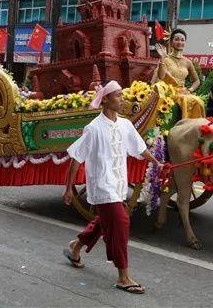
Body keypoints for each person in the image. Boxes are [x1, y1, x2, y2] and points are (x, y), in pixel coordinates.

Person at [62, 81, 164, 295]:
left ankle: (75, 247)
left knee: (105, 221)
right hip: (102, 185)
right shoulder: (93, 128)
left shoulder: (125, 125)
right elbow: (76, 158)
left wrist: (156, 162)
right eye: (118, 96)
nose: (122, 99)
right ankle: (123, 276)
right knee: (120, 222)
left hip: (118, 184)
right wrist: (69, 188)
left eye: (121, 95)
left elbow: (140, 148)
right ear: (106, 99)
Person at [154, 28, 205, 118]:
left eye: (182, 40)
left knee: (199, 101)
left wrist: (190, 90)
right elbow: (161, 76)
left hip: (183, 92)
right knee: (185, 100)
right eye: (176, 39)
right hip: (169, 92)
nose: (179, 42)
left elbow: (197, 81)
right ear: (171, 41)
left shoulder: (187, 62)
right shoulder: (165, 59)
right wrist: (162, 58)